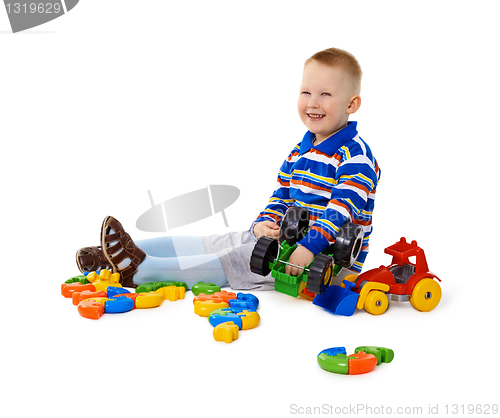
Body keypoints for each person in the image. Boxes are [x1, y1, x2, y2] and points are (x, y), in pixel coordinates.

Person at [75, 47, 380, 291]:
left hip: (325, 261)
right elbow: (282, 196)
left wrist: (309, 247)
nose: (313, 103)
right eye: (306, 92)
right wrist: (264, 223)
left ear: (352, 104)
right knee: (226, 240)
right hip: (290, 240)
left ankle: (141, 271)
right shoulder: (300, 150)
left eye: (325, 94)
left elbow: (343, 208)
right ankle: (115, 255)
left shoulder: (356, 156)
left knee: (241, 259)